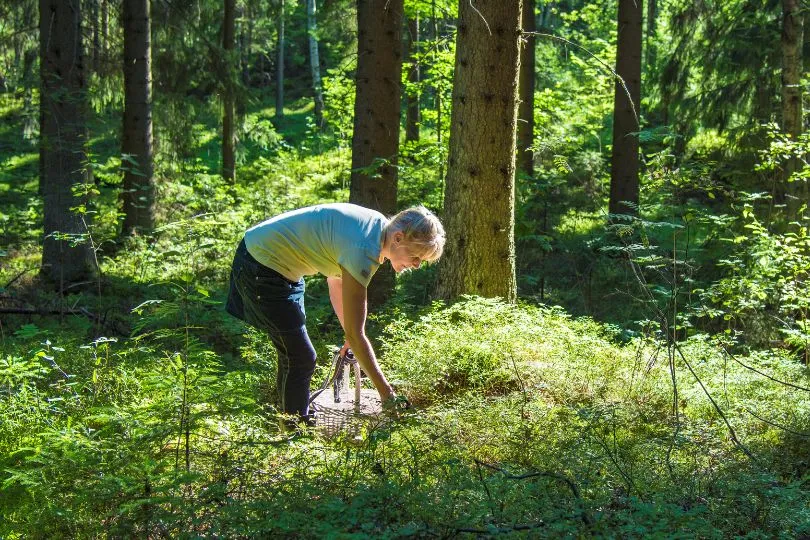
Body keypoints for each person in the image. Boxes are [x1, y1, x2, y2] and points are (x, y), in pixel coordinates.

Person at [226, 202, 445, 424]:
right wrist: (387, 394)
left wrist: (350, 335)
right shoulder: (363, 248)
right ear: (398, 238)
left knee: (294, 354)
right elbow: (356, 333)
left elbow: (336, 281)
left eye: (422, 261)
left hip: (277, 268)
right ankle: (295, 433)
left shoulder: (376, 228)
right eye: (416, 256)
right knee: (300, 357)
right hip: (261, 266)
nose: (417, 265)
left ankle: (288, 420)